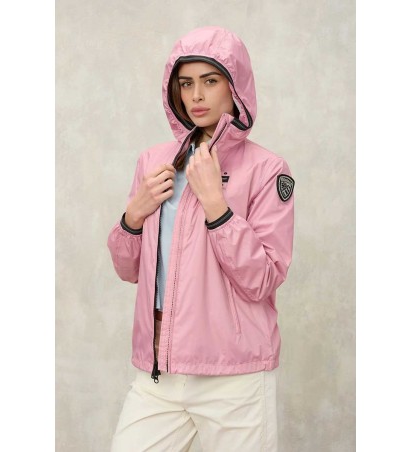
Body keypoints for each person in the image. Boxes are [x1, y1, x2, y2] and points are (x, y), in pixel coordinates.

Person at [107, 25, 295, 452]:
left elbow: (263, 278)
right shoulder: (154, 162)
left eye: (210, 81)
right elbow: (128, 269)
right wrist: (133, 215)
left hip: (235, 375)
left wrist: (217, 206)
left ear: (235, 87)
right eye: (186, 83)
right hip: (160, 370)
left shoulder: (268, 170)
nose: (196, 95)